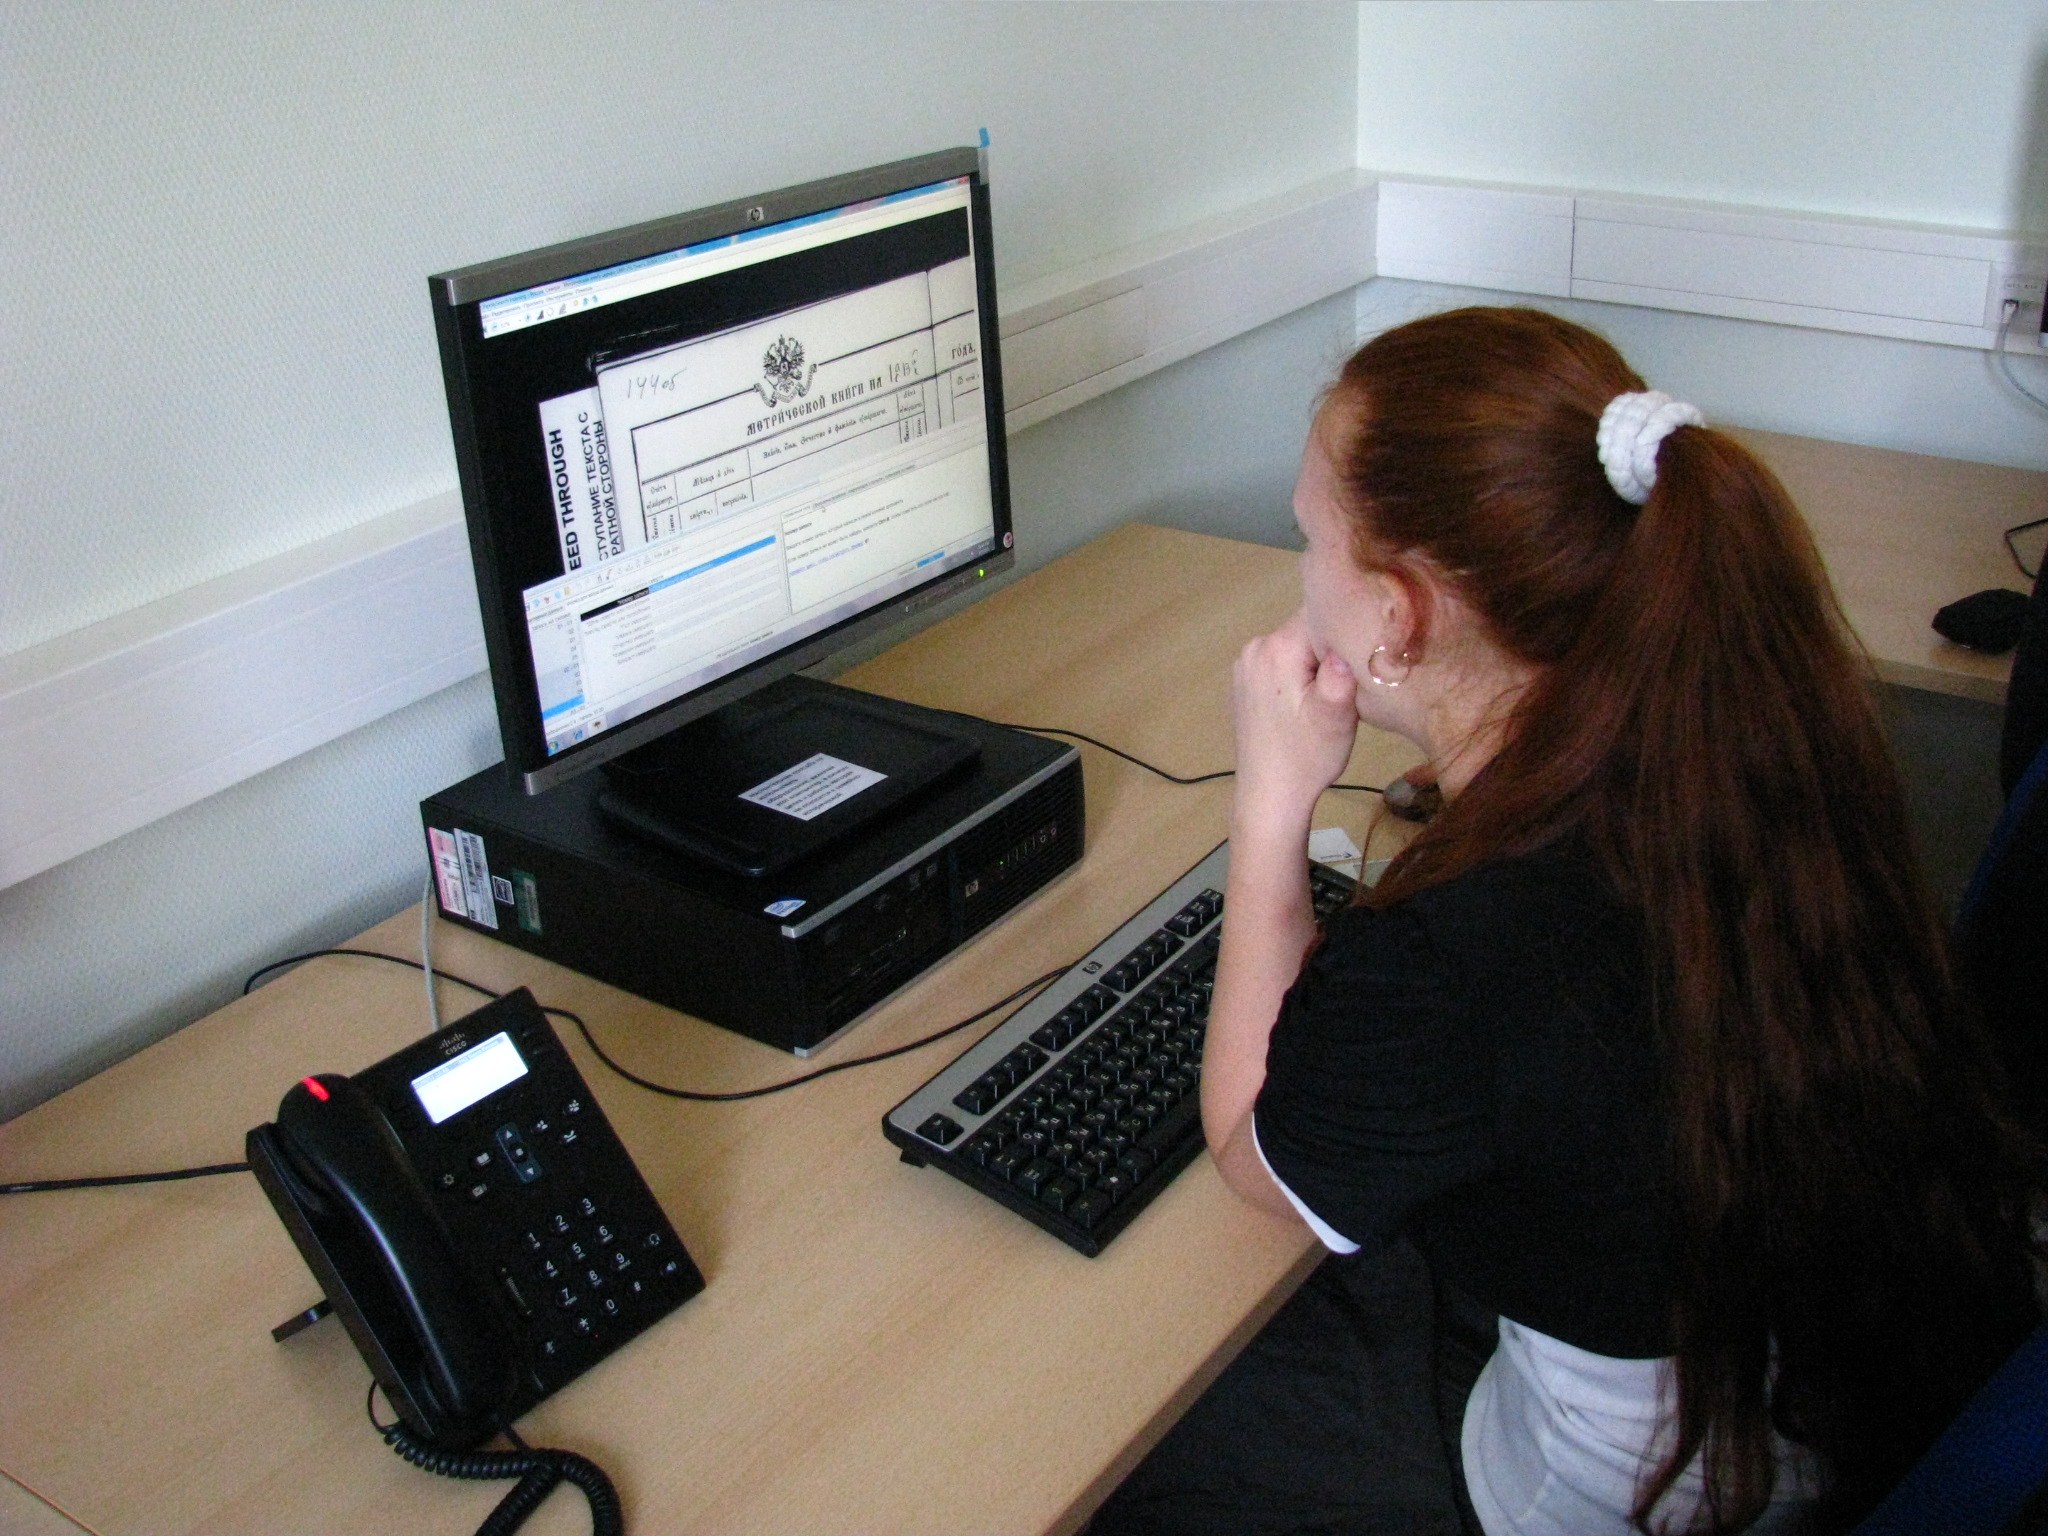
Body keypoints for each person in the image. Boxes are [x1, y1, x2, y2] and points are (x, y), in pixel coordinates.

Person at [1090, 307, 2042, 1536]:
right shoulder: (1739, 744)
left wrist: (1269, 809)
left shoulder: (1457, 947)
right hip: (1832, 1403)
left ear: (1398, 616)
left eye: (1306, 539)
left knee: (1119, 1449)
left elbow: (1249, 1154)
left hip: (1607, 1496)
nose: (1301, 573)